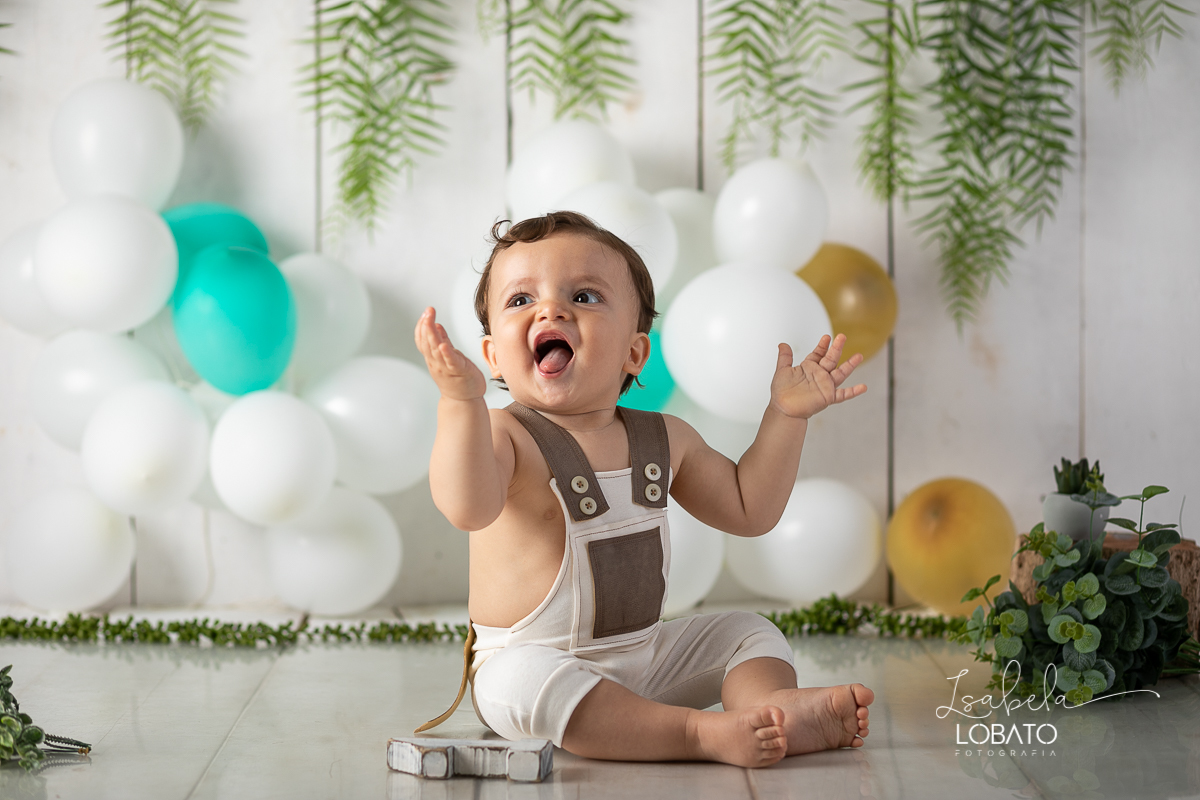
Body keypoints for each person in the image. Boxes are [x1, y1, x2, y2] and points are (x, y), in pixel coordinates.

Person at [413, 211, 874, 768]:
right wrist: (460, 404)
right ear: (492, 356)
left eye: (583, 296)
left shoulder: (664, 438)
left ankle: (771, 712)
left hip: (645, 659)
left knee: (748, 631)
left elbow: (751, 509)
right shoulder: (505, 434)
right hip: (539, 668)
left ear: (634, 353)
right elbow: (466, 506)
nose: (550, 309)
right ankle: (697, 734)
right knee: (521, 681)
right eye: (519, 300)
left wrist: (785, 416)